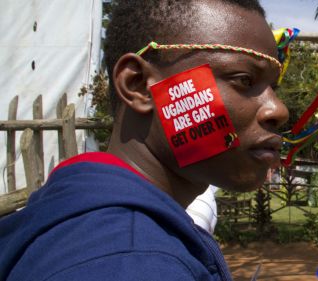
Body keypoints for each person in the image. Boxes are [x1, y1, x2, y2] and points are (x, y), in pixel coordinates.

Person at [0, 0, 288, 280]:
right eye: (244, 80)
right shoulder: (130, 260)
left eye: (272, 87)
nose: (278, 109)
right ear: (138, 86)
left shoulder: (85, 225)